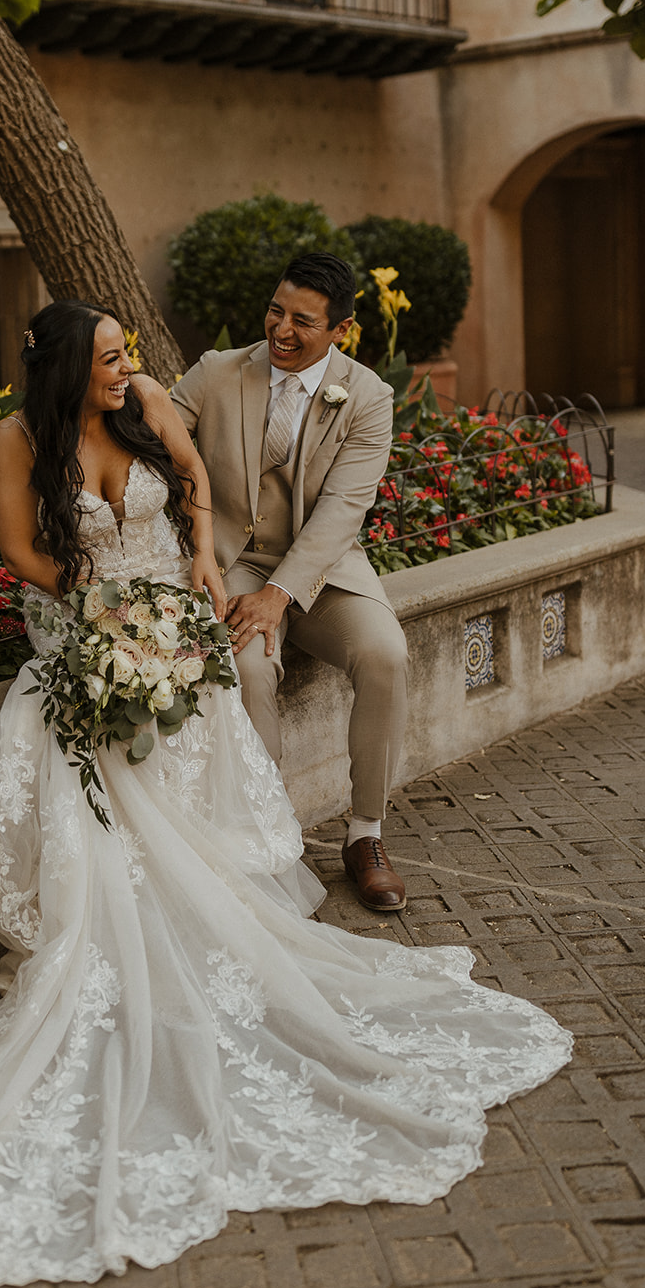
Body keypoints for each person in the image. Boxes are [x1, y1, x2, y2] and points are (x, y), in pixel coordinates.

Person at [0, 300, 572, 1288]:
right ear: (63, 368)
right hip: (84, 626)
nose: (128, 368)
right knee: (98, 780)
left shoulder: (148, 404)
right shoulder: (17, 435)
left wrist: (198, 566)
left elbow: (195, 480)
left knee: (189, 772)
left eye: (128, 353)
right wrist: (100, 615)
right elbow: (19, 551)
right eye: (111, 357)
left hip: (173, 619)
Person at [171, 252, 410, 913]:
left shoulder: (366, 396)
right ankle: (268, 835)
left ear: (341, 329)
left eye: (301, 321)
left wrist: (280, 597)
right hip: (233, 564)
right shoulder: (216, 372)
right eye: (275, 311)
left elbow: (342, 510)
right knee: (247, 670)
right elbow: (151, 436)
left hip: (323, 569)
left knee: (385, 654)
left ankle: (365, 835)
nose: (280, 330)